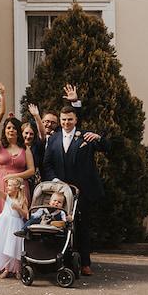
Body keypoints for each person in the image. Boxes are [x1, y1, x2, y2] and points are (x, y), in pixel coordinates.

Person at [42, 104, 112, 276]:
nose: (66, 122)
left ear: (76, 120)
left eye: (70, 119)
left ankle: (85, 263)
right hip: (61, 191)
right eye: (64, 119)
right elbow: (47, 164)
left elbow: (106, 147)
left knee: (82, 226)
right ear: (60, 120)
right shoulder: (53, 139)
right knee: (60, 224)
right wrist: (55, 180)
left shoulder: (85, 137)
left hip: (83, 190)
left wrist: (99, 138)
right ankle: (60, 259)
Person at [0, 83, 35, 262]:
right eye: (8, 128)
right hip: (1, 188)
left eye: (14, 128)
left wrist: (15, 176)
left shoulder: (24, 148)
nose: (11, 130)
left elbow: (31, 170)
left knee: (17, 221)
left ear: (18, 131)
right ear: (4, 131)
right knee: (0, 221)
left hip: (20, 189)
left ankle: (17, 259)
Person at [0, 171, 28, 279]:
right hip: (4, 225)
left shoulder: (22, 199)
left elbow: (27, 215)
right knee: (5, 245)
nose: (7, 187)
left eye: (9, 186)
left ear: (16, 188)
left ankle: (17, 269)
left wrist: (19, 208)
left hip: (15, 224)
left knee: (14, 247)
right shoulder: (7, 197)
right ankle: (7, 268)